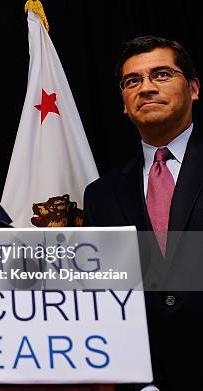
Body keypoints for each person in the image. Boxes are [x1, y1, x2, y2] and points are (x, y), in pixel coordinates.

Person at [84, 36, 201, 390]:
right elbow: (108, 296)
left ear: (194, 88)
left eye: (162, 74)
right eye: (132, 81)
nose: (146, 88)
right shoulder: (101, 195)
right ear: (123, 101)